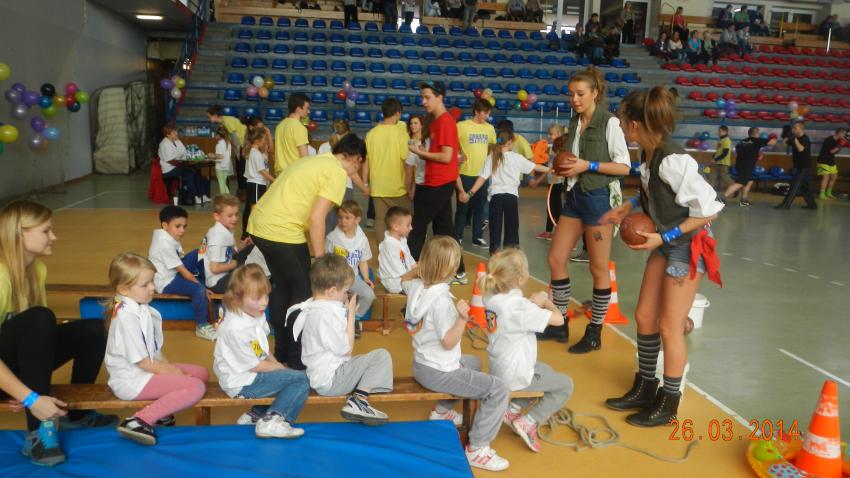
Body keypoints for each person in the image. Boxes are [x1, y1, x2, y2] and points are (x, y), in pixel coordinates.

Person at [603, 87, 724, 426]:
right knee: (644, 316)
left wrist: (664, 236)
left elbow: (710, 210)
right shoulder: (650, 155)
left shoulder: (673, 160)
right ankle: (645, 387)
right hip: (667, 241)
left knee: (670, 327)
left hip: (686, 244)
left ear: (635, 125)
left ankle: (669, 403)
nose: (621, 128)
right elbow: (658, 193)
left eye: (623, 122)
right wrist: (629, 205)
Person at [0, 201, 113, 466]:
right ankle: (39, 433)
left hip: (11, 370)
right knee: (41, 317)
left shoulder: (37, 269)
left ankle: (76, 417)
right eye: (46, 231)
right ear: (19, 234)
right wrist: (28, 397)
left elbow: (39, 340)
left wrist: (22, 388)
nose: (54, 237)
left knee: (93, 329)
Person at [248, 134, 366, 369]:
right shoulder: (336, 172)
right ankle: (295, 360)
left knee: (283, 286)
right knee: (303, 292)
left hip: (260, 226)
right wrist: (321, 259)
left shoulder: (314, 160)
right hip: (282, 230)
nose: (356, 171)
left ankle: (283, 352)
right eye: (359, 165)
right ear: (355, 159)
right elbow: (316, 218)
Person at [543, 68, 631, 350]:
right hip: (574, 196)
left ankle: (594, 333)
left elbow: (624, 166)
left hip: (598, 198)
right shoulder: (574, 121)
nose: (575, 99)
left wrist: (587, 165)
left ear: (594, 93)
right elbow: (572, 160)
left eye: (580, 94)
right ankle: (560, 324)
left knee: (598, 267)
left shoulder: (610, 123)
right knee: (556, 259)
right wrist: (563, 168)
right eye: (571, 94)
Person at [405, 236, 510, 472]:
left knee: (472, 362)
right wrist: (462, 319)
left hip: (421, 365)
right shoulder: (441, 301)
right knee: (498, 389)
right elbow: (448, 342)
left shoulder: (415, 287)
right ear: (449, 269)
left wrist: (417, 270)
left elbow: (403, 279)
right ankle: (478, 448)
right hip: (439, 371)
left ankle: (441, 411)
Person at [106, 253, 209, 445]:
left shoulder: (141, 306)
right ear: (123, 289)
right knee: (195, 386)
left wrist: (171, 370)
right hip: (131, 381)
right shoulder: (126, 318)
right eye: (145, 285)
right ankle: (139, 420)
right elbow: (144, 363)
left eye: (152, 281)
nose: (152, 287)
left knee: (201, 374)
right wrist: (175, 373)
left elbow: (154, 352)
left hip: (146, 370)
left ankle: (163, 412)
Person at [481, 248, 573, 452]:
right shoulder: (519, 307)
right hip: (515, 376)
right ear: (521, 279)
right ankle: (529, 421)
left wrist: (533, 306)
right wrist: (545, 301)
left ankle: (512, 409)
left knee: (544, 369)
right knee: (565, 385)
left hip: (500, 369)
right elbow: (559, 320)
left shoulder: (491, 297)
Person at [291, 255, 393, 425]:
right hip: (331, 381)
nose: (346, 295)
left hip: (318, 375)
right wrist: (351, 314)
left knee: (364, 363)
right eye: (345, 291)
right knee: (381, 356)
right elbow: (347, 350)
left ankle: (360, 397)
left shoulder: (316, 308)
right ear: (331, 291)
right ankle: (359, 401)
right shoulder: (327, 316)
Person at [213, 264, 309, 438]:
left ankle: (255, 415)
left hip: (252, 374)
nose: (264, 302)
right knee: (301, 380)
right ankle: (273, 421)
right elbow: (255, 365)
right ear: (237, 298)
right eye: (257, 298)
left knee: (290, 377)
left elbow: (260, 350)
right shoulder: (236, 328)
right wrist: (283, 370)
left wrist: (278, 366)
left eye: (266, 295)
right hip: (241, 383)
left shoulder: (254, 313)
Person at [407, 81, 465, 283]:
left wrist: (420, 153)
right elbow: (438, 153)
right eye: (422, 97)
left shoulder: (446, 122)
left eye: (427, 97)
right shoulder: (435, 122)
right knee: (444, 228)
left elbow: (447, 156)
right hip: (433, 181)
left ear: (440, 97)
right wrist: (424, 151)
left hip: (439, 183)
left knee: (417, 226)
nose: (423, 101)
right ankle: (459, 270)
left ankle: (408, 270)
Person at [465, 130, 549, 253]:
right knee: (512, 229)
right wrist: (551, 169)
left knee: (495, 229)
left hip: (496, 197)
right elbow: (535, 166)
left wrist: (470, 193)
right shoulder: (517, 157)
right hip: (511, 198)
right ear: (509, 142)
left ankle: (495, 255)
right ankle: (511, 255)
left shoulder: (492, 157)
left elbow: (482, 178)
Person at [148, 206, 214, 341]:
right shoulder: (164, 243)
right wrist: (201, 287)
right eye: (178, 226)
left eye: (184, 226)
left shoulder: (168, 235)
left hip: (173, 271)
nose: (182, 230)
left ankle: (208, 280)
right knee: (198, 289)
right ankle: (201, 326)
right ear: (165, 225)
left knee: (199, 253)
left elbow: (180, 260)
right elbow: (183, 271)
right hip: (166, 281)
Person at [365, 98, 411, 242]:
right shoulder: (401, 134)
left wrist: (365, 184)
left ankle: (382, 252)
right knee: (405, 220)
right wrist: (410, 186)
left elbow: (366, 161)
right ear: (397, 113)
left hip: (377, 186)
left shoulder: (371, 133)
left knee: (380, 221)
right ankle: (401, 250)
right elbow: (407, 162)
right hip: (397, 187)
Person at [455, 99, 497, 249]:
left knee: (480, 207)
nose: (487, 116)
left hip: (483, 176)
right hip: (465, 173)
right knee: (463, 207)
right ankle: (457, 237)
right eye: (485, 113)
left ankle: (477, 237)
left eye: (489, 113)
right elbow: (452, 144)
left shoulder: (490, 128)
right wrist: (458, 155)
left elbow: (493, 147)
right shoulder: (461, 126)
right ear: (476, 112)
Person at [325, 200, 376, 321]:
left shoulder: (362, 239)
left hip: (352, 277)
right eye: (340, 217)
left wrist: (366, 278)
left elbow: (363, 261)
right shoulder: (332, 238)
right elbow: (325, 260)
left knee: (369, 295)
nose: (343, 221)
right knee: (338, 299)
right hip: (335, 278)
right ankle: (338, 320)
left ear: (357, 220)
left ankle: (355, 317)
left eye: (347, 218)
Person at [202, 195, 255, 293]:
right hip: (217, 282)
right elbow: (214, 268)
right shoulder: (217, 238)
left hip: (225, 270)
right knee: (250, 278)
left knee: (251, 248)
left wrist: (240, 247)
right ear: (217, 216)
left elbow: (226, 254)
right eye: (230, 216)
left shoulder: (226, 227)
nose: (235, 219)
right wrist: (235, 264)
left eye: (236, 214)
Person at [723, 128, 776, 207]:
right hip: (746, 166)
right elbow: (772, 142)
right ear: (757, 133)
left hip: (740, 165)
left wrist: (754, 153)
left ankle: (743, 200)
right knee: (741, 182)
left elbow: (737, 152)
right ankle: (722, 197)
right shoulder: (757, 140)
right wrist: (774, 136)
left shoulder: (741, 142)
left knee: (749, 181)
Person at [158, 126, 208, 205]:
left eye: (176, 131)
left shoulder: (177, 141)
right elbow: (170, 161)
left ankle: (202, 195)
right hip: (169, 169)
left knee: (196, 172)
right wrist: (185, 164)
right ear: (168, 135)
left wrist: (193, 157)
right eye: (174, 132)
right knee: (190, 173)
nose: (176, 133)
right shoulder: (164, 144)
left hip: (179, 165)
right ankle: (195, 196)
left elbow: (185, 152)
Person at [776, 122, 817, 210]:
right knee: (805, 187)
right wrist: (786, 136)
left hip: (804, 166)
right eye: (793, 127)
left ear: (801, 128)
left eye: (795, 127)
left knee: (795, 185)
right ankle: (812, 205)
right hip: (799, 166)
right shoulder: (795, 137)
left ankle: (786, 205)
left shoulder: (805, 138)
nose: (793, 129)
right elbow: (783, 145)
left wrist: (794, 139)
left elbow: (801, 149)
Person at [377, 206, 419, 293]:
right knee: (426, 288)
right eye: (408, 225)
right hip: (395, 284)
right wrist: (418, 272)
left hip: (405, 278)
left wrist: (417, 267)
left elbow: (409, 258)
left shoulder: (402, 239)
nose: (411, 228)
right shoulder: (389, 247)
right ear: (396, 227)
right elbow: (402, 274)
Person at [243, 128, 275, 240]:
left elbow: (264, 166)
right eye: (264, 139)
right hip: (256, 184)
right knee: (254, 209)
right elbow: (262, 171)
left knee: (256, 208)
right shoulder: (255, 153)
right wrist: (274, 180)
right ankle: (252, 234)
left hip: (258, 184)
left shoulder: (257, 153)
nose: (265, 142)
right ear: (257, 140)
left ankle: (253, 232)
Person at [208, 105, 248, 193]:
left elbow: (235, 138)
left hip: (243, 145)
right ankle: (241, 191)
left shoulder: (227, 121)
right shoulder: (224, 121)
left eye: (209, 117)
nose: (209, 119)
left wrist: (238, 152)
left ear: (215, 115)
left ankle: (243, 191)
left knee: (241, 169)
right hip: (241, 145)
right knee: (239, 169)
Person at [536, 125, 566, 240]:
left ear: (559, 134)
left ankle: (558, 231)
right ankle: (548, 231)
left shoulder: (562, 149)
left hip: (557, 182)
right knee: (550, 207)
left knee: (556, 207)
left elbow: (560, 166)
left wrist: (556, 177)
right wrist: (539, 179)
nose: (549, 136)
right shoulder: (552, 148)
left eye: (551, 134)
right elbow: (549, 167)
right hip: (551, 181)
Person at [273, 93, 311, 175]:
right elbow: (304, 157)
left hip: (280, 174)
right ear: (298, 109)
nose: (308, 111)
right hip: (294, 174)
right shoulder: (299, 127)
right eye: (307, 108)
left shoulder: (279, 125)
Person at [817, 127, 846, 199]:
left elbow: (836, 152)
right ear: (840, 133)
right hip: (823, 160)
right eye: (843, 134)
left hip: (830, 160)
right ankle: (822, 194)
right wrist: (840, 145)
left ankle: (828, 193)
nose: (844, 136)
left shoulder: (838, 140)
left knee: (834, 177)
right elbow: (831, 151)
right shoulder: (829, 139)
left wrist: (841, 145)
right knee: (826, 177)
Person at [404, 115, 427, 199]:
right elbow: (409, 172)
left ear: (422, 125)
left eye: (415, 123)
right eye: (411, 123)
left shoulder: (427, 141)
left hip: (428, 182)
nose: (412, 125)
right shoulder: (408, 141)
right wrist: (409, 190)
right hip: (416, 183)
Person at [212, 127, 234, 195]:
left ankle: (224, 198)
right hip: (226, 166)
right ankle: (228, 197)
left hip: (220, 166)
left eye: (216, 134)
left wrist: (213, 155)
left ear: (219, 135)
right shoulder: (228, 143)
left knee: (221, 183)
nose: (215, 136)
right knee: (224, 183)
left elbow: (221, 156)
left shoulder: (219, 144)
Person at [712, 125, 733, 191]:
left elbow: (725, 153)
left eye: (720, 131)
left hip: (723, 163)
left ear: (725, 132)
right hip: (718, 162)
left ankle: (734, 188)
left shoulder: (727, 140)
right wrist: (713, 157)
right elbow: (718, 151)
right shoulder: (720, 140)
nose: (719, 132)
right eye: (719, 131)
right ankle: (715, 191)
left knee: (725, 177)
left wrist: (716, 159)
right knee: (716, 178)